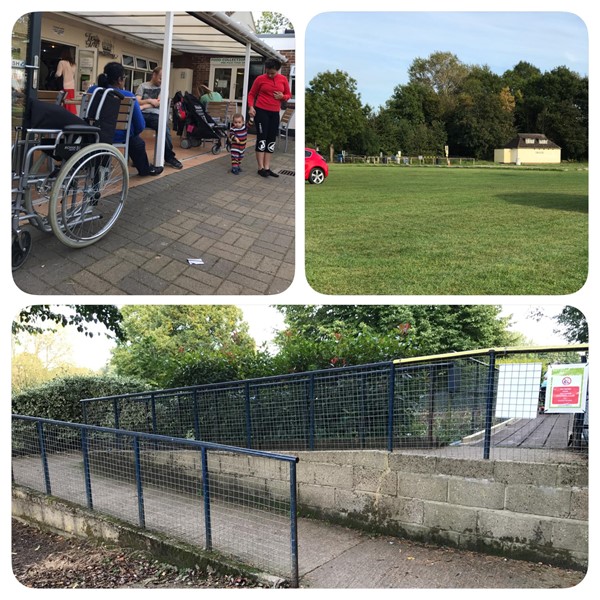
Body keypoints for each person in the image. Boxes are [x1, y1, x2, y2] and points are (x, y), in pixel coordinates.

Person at [91, 62, 162, 176]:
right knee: (136, 141)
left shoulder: (92, 91)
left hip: (93, 133)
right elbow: (140, 125)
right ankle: (145, 171)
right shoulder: (127, 95)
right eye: (124, 78)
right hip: (115, 135)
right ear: (119, 80)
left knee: (132, 137)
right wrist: (132, 132)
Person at [247, 58, 291, 178]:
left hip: (274, 113)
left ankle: (267, 167)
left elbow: (288, 95)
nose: (270, 75)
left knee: (271, 139)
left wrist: (283, 96)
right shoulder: (260, 79)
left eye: (273, 73)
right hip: (261, 112)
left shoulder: (283, 79)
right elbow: (251, 94)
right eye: (268, 72)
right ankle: (260, 168)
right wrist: (251, 107)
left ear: (278, 70)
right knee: (262, 138)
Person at [135, 67, 182, 169]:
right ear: (154, 75)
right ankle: (137, 157)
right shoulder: (142, 86)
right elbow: (137, 101)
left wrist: (144, 105)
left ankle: (169, 157)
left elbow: (158, 103)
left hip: (155, 115)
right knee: (132, 128)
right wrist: (151, 101)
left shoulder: (163, 88)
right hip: (141, 114)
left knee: (164, 129)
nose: (162, 81)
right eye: (160, 78)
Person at [55, 47, 77, 114]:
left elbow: (58, 74)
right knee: (70, 104)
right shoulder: (73, 64)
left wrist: (54, 75)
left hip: (64, 86)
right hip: (71, 87)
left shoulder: (61, 62)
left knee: (63, 104)